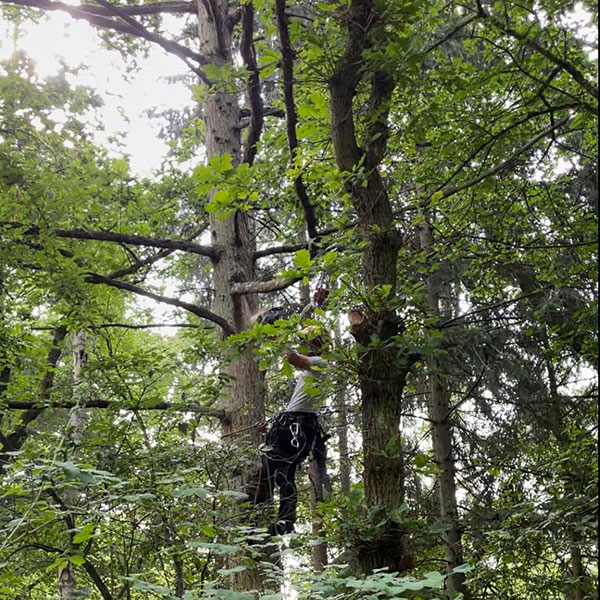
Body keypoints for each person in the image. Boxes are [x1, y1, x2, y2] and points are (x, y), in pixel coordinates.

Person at [246, 325, 331, 535]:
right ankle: (285, 522)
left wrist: (278, 338)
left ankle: (252, 522)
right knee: (284, 474)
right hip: (296, 427)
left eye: (305, 342)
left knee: (262, 473)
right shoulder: (314, 370)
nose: (302, 345)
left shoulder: (320, 363)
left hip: (296, 428)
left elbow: (293, 358)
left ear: (315, 344)